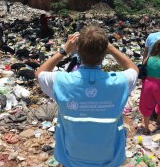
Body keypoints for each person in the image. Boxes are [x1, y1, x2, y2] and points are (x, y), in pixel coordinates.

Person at [35, 25, 139, 167]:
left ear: (78, 50)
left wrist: (64, 51)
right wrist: (110, 48)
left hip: (71, 156)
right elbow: (133, 69)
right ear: (104, 53)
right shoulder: (120, 82)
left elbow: (39, 73)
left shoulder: (61, 81)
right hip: (109, 158)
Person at [139, 40, 160, 135]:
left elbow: (143, 71)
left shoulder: (147, 58)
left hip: (147, 84)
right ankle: (159, 120)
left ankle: (146, 128)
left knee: (146, 105)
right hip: (159, 85)